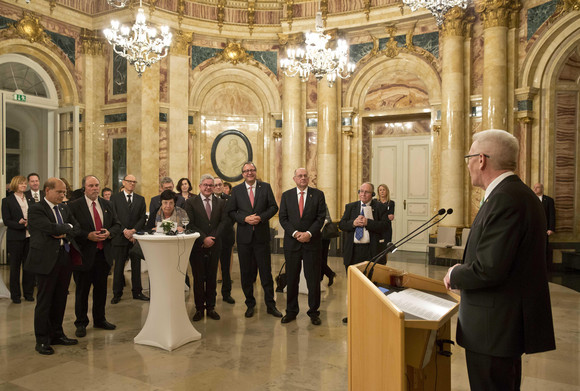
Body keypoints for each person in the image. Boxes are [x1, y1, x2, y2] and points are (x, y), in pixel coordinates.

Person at [444, 129, 555, 390]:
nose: (468, 164)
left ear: (481, 159)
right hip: (499, 326)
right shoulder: (514, 194)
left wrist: (455, 273)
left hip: (493, 329)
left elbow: (489, 269)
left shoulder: (506, 198)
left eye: (468, 157)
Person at [24, 178, 81, 355]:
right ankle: (42, 339)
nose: (63, 195)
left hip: (64, 257)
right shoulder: (36, 208)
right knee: (44, 301)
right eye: (59, 192)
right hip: (45, 259)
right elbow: (48, 228)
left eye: (64, 192)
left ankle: (57, 334)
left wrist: (64, 229)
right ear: (47, 191)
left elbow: (77, 227)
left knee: (60, 298)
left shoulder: (64, 207)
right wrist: (64, 228)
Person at [226, 162, 282, 318]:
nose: (249, 173)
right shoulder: (236, 191)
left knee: (266, 273)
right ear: (242, 174)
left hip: (261, 238)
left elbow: (273, 207)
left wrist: (260, 218)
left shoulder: (265, 187)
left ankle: (271, 305)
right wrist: (244, 218)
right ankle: (250, 304)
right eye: (246, 171)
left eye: (252, 170)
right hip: (244, 239)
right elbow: (230, 211)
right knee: (246, 274)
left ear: (255, 172)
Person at [69, 176, 121, 338]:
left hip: (103, 254)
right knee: (82, 291)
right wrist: (87, 236)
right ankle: (81, 323)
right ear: (84, 188)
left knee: (101, 290)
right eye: (91, 186)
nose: (94, 188)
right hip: (84, 255)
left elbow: (117, 224)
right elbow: (72, 229)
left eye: (97, 185)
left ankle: (100, 319)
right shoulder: (74, 206)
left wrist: (109, 233)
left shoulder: (107, 204)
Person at [279, 168, 326, 325]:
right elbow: (283, 218)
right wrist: (295, 234)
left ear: (309, 178)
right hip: (292, 243)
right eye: (300, 176)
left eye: (305, 176)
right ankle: (291, 311)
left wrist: (308, 234)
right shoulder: (286, 196)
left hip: (311, 243)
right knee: (292, 279)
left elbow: (320, 218)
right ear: (294, 179)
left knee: (313, 279)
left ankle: (314, 312)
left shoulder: (318, 195)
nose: (303, 178)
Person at [339, 182, 388, 323]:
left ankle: (372, 315)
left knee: (372, 285)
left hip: (371, 251)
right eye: (361, 191)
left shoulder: (379, 207)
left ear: (372, 194)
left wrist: (368, 223)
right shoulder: (351, 207)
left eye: (366, 192)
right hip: (353, 251)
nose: (363, 194)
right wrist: (353, 223)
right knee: (354, 286)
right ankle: (354, 314)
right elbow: (342, 224)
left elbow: (385, 226)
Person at [185, 175, 228, 321]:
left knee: (211, 277)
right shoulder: (190, 202)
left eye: (211, 185)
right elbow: (190, 224)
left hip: (215, 246)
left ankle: (210, 307)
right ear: (199, 186)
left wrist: (212, 238)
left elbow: (223, 223)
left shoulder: (221, 203)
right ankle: (199, 309)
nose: (208, 187)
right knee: (198, 278)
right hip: (197, 245)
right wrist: (203, 238)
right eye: (205, 185)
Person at [109, 174, 148, 303]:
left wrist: (133, 231)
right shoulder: (115, 198)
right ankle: (117, 293)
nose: (132, 184)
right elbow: (113, 217)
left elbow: (142, 218)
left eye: (134, 182)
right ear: (123, 183)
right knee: (119, 267)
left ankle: (137, 292)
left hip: (134, 238)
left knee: (136, 267)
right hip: (120, 237)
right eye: (129, 181)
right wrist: (124, 230)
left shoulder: (140, 199)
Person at [1, 175, 35, 303]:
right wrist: (20, 224)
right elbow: (7, 221)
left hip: (29, 236)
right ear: (15, 185)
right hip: (15, 237)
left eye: (25, 183)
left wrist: (30, 223)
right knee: (15, 267)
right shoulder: (7, 201)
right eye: (21, 183)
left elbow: (35, 215)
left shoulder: (30, 199)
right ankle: (15, 295)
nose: (24, 185)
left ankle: (28, 293)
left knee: (29, 266)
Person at [213, 177, 236, 304]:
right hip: (211, 238)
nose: (217, 187)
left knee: (226, 268)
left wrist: (220, 230)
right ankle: (212, 294)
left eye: (219, 184)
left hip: (226, 237)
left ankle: (226, 294)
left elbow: (232, 217)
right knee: (211, 268)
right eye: (215, 185)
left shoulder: (230, 200)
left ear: (223, 186)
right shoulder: (208, 200)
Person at [376, 183, 395, 264]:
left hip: (387, 228)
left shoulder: (391, 203)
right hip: (377, 227)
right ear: (378, 192)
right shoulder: (375, 202)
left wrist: (386, 216)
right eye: (380, 190)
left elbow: (390, 216)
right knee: (377, 247)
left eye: (384, 190)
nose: (382, 192)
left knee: (386, 247)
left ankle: (384, 264)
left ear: (387, 191)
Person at [320, 204, 336, 286]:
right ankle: (329, 274)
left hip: (324, 237)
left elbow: (328, 219)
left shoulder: (323, 205)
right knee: (318, 258)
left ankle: (324, 276)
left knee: (322, 258)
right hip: (314, 236)